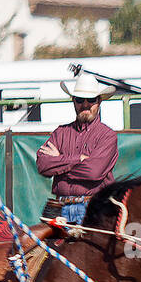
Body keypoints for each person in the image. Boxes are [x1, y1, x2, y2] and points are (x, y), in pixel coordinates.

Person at [35, 73, 118, 224]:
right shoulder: (60, 132)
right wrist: (79, 159)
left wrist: (59, 162)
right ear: (73, 101)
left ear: (99, 101)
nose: (85, 105)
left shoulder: (108, 135)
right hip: (59, 207)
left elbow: (94, 172)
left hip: (93, 206)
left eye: (91, 100)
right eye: (80, 100)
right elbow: (43, 165)